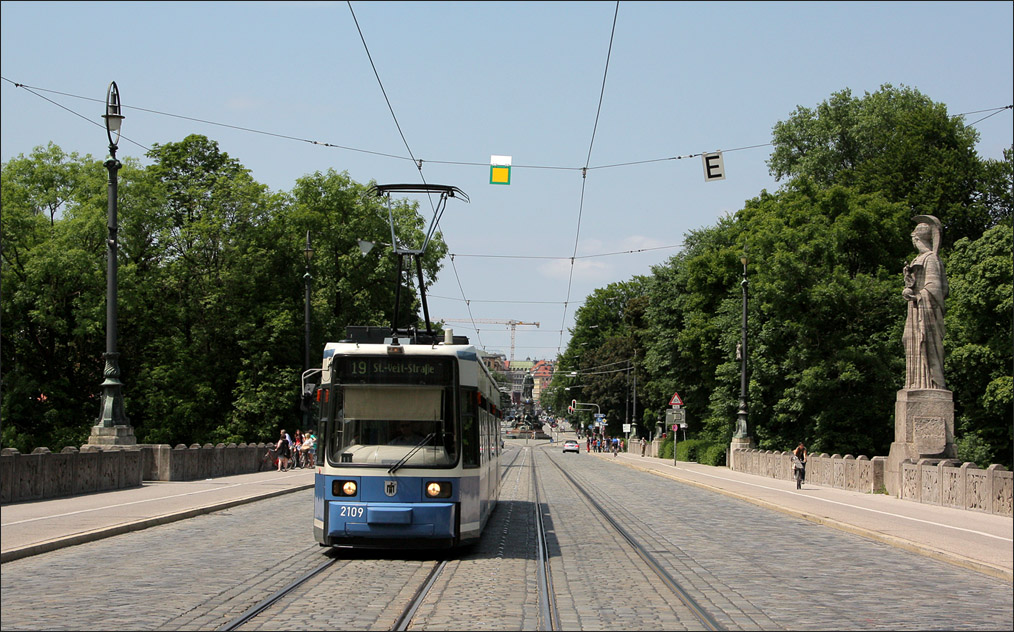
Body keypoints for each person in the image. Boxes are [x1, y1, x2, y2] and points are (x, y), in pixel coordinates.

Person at [902, 215, 948, 390]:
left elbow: (936, 289)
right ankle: (914, 382)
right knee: (908, 340)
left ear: (916, 238)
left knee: (925, 345)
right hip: (915, 311)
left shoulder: (931, 259)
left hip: (925, 312)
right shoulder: (918, 259)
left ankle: (929, 383)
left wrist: (916, 296)